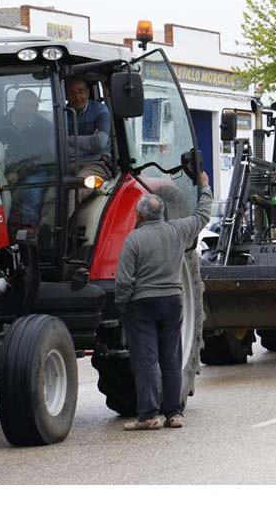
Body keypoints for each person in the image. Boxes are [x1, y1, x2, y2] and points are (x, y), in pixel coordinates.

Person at [115, 172, 213, 431]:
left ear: (140, 216)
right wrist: (205, 188)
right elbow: (202, 215)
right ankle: (174, 413)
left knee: (146, 360)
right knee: (171, 358)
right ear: (162, 214)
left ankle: (148, 415)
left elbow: (124, 281)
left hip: (142, 306)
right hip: (172, 302)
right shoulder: (177, 231)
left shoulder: (133, 240)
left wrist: (122, 305)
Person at [0, 89, 54, 228]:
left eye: (34, 106)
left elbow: (41, 158)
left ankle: (28, 230)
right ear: (16, 104)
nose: (30, 110)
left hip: (36, 170)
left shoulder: (44, 128)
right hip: (4, 170)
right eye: (27, 106)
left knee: (31, 190)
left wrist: (18, 174)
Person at [64, 77, 113, 210]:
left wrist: (69, 140)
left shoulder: (100, 111)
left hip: (97, 164)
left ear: (88, 92)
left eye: (81, 92)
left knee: (73, 192)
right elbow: (55, 147)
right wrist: (89, 144)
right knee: (52, 195)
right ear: (66, 95)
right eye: (72, 93)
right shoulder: (62, 114)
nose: (78, 97)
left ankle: (59, 231)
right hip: (68, 166)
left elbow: (99, 142)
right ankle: (45, 230)